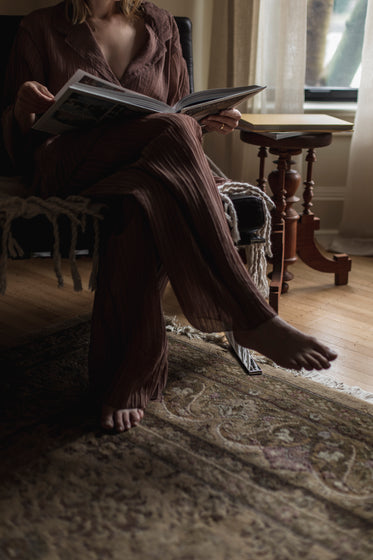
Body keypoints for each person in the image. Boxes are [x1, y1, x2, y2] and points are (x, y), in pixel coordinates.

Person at [2, 0, 337, 433]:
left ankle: (126, 382)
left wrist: (207, 118)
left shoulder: (160, 26)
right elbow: (17, 139)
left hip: (139, 169)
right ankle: (250, 315)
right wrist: (24, 108)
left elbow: (180, 114)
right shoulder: (40, 27)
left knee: (145, 198)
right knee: (171, 136)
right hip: (66, 164)